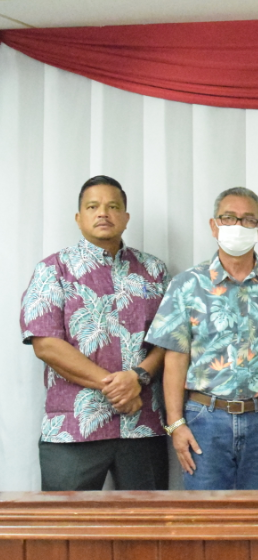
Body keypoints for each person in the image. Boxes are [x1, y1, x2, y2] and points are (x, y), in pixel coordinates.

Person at [20, 175, 170, 491]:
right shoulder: (53, 270)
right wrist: (117, 388)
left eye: (113, 206)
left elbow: (168, 341)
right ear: (79, 217)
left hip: (141, 426)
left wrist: (137, 379)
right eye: (93, 206)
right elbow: (46, 344)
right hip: (73, 429)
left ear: (126, 218)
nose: (103, 213)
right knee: (66, 531)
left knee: (148, 529)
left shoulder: (154, 271)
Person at [146, 187, 258, 489]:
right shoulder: (187, 285)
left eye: (248, 220)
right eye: (228, 218)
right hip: (205, 420)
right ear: (214, 226)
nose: (237, 226)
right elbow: (175, 358)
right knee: (205, 521)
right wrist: (176, 424)